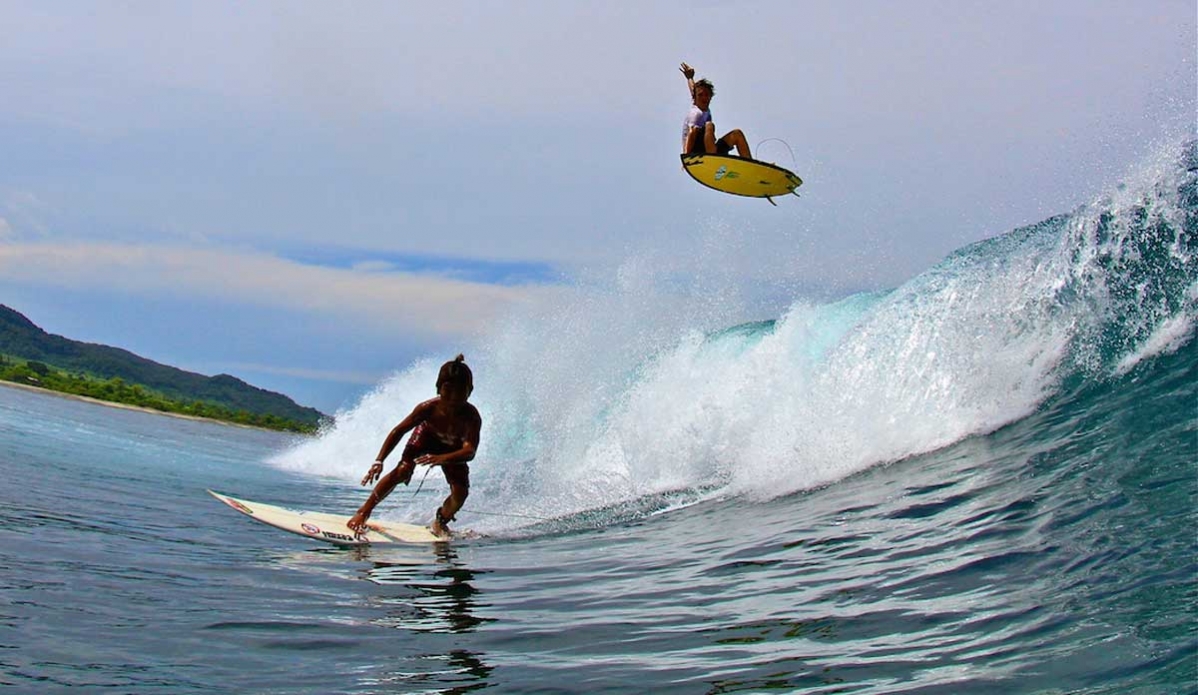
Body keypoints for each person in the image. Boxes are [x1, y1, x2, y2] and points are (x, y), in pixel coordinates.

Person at [347, 354, 482, 538]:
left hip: (452, 451)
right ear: (438, 388)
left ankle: (441, 520)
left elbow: (470, 451)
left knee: (460, 493)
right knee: (403, 470)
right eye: (448, 391)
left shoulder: (471, 416)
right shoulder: (427, 408)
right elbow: (399, 431)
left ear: (470, 391)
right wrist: (379, 461)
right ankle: (363, 512)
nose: (452, 399)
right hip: (426, 438)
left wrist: (441, 458)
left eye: (459, 393)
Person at [680, 61, 752, 159]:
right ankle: (713, 158)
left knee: (737, 134)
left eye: (707, 95)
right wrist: (687, 157)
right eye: (700, 95)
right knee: (709, 125)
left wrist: (690, 78)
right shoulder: (696, 113)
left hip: (709, 148)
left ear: (710, 97)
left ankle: (749, 163)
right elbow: (692, 133)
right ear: (695, 97)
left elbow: (694, 89)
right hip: (695, 153)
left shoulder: (702, 105)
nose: (704, 98)